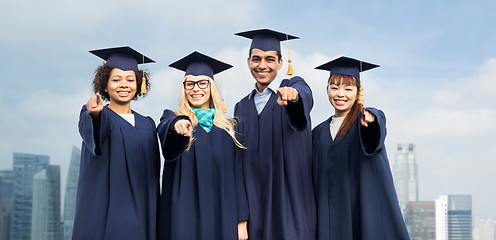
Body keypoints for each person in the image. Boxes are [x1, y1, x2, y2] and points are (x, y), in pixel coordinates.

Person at [312, 56, 409, 240]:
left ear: (358, 93)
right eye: (334, 87)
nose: (340, 94)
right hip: (327, 220)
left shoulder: (363, 123)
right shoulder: (317, 134)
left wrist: (372, 120)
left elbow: (375, 132)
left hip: (359, 216)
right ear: (327, 90)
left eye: (348, 88)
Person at [156, 51, 249, 240]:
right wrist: (178, 125)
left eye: (202, 83)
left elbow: (238, 178)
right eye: (189, 84)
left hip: (222, 213)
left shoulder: (229, 128)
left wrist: (242, 222)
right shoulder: (172, 118)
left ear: (212, 87)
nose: (195, 89)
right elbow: (165, 130)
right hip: (182, 214)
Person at [233, 29, 316, 240]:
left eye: (270, 59)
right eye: (256, 59)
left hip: (289, 206)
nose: (262, 65)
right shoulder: (241, 107)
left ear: (280, 63)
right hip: (254, 211)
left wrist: (294, 98)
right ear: (248, 61)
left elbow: (303, 97)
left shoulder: (291, 90)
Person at [73, 46, 160, 240]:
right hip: (107, 215)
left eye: (130, 80)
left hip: (143, 214)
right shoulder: (99, 115)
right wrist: (95, 115)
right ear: (104, 85)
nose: (124, 85)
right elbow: (95, 132)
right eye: (116, 79)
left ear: (138, 85)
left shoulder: (148, 124)